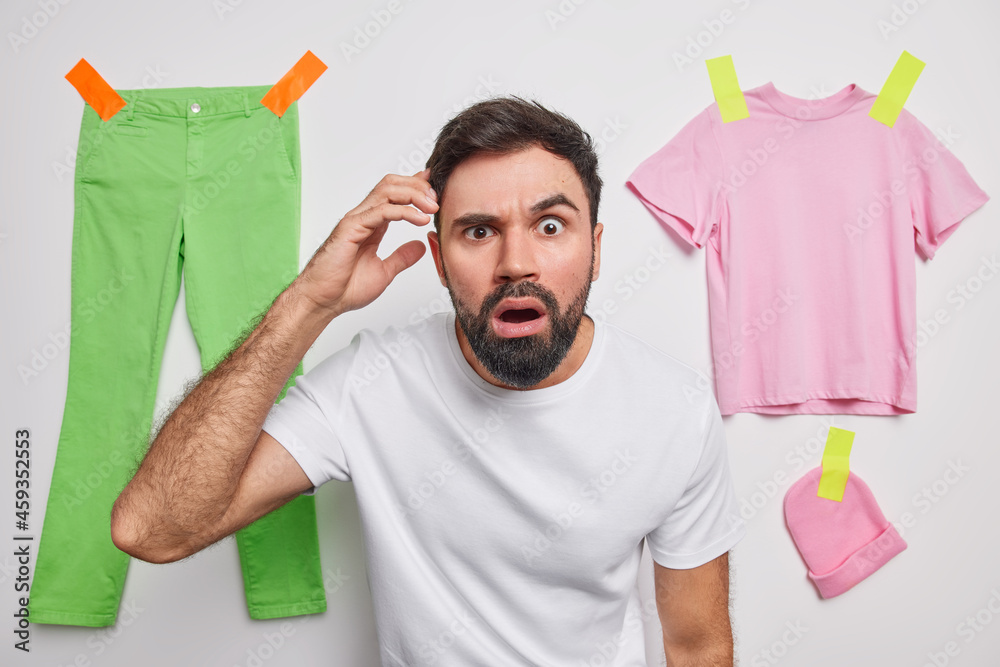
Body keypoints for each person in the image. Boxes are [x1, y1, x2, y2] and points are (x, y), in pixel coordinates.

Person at [111, 96, 745, 666]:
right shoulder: (370, 383)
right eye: (478, 231)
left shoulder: (675, 411)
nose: (515, 264)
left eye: (550, 226)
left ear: (596, 249)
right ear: (438, 260)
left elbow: (697, 645)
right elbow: (152, 529)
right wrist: (310, 301)